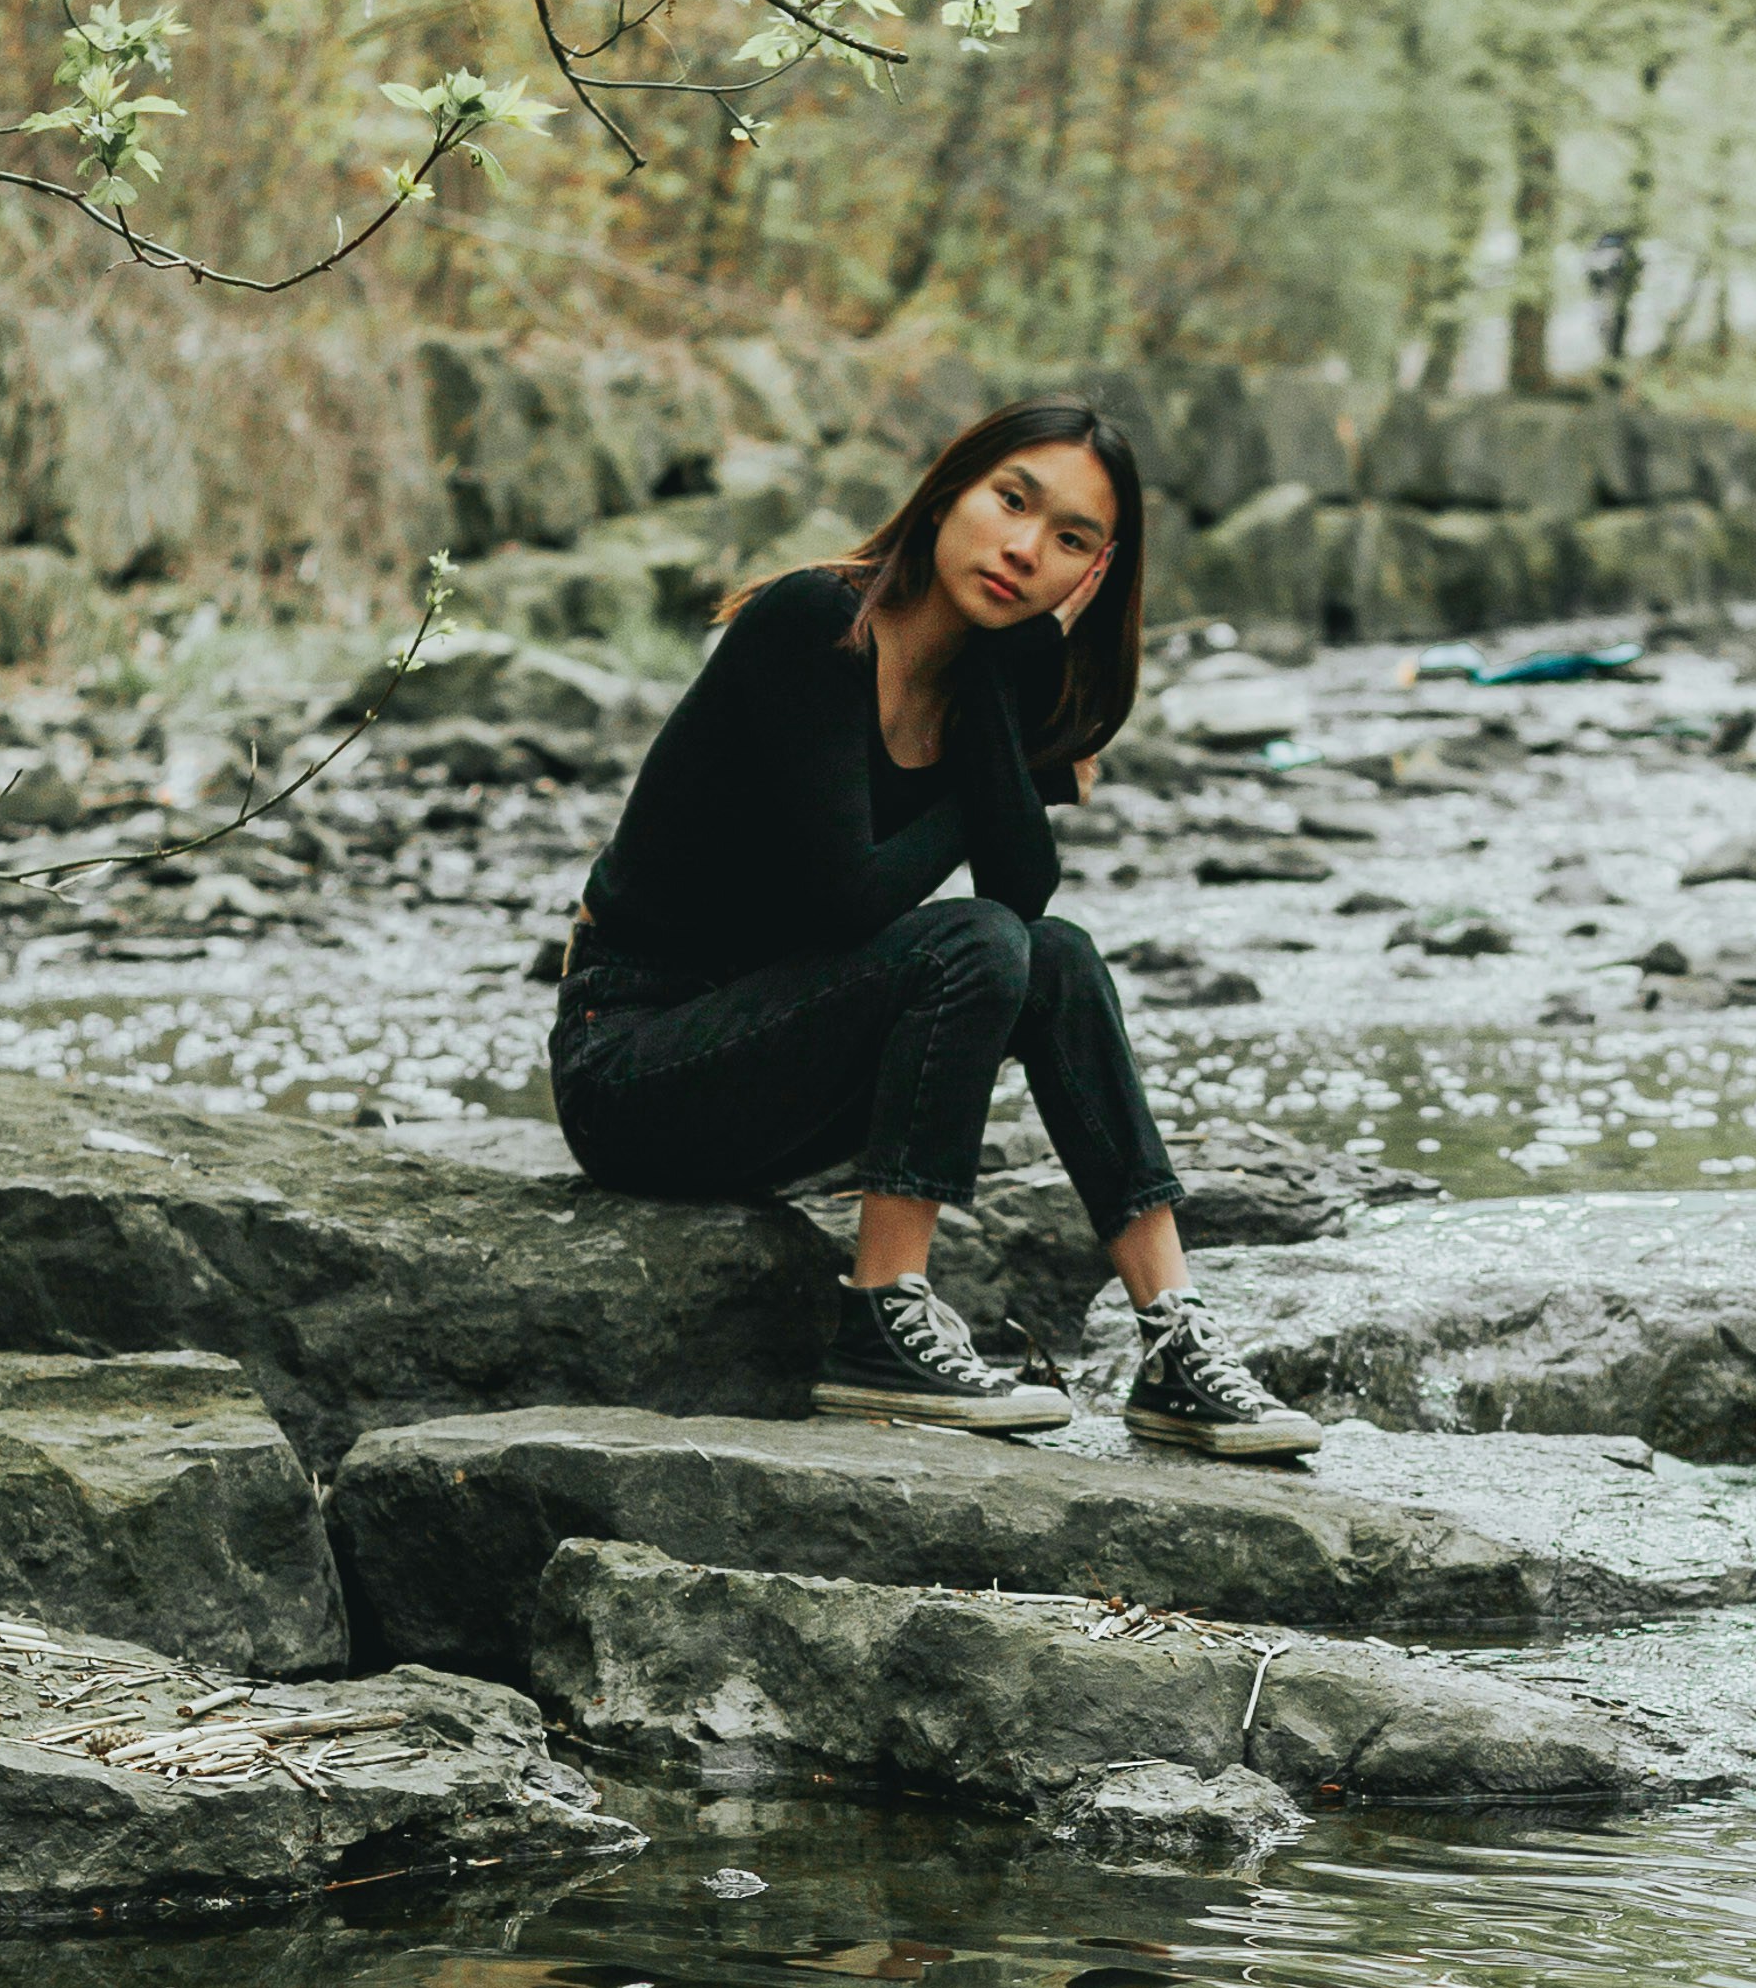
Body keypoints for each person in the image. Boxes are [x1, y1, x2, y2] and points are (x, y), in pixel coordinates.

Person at [548, 395, 1323, 1460]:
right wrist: (1015, 769)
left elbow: (1022, 893)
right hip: (632, 1059)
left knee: (1052, 958)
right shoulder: (810, 624)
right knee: (970, 943)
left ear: (1093, 575)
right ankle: (880, 1313)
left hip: (770, 1049)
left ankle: (1171, 1332)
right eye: (1011, 500)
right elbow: (850, 898)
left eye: (1068, 540)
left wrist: (1007, 706)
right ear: (950, 484)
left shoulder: (986, 672)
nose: (1020, 549)